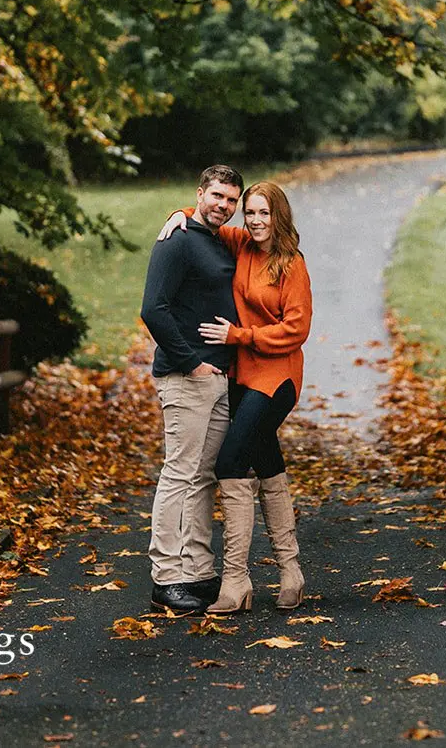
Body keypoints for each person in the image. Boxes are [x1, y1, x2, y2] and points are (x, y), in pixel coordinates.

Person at [159, 180, 311, 612]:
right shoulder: (242, 243)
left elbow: (297, 330)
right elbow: (203, 218)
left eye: (264, 213)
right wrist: (178, 213)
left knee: (229, 461)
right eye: (251, 213)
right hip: (243, 376)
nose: (256, 221)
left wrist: (238, 334)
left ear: (279, 216)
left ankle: (236, 580)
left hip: (277, 376)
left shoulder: (291, 263)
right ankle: (290, 572)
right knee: (266, 461)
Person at [139, 164, 244, 614]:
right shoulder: (176, 239)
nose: (223, 205)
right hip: (188, 377)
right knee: (179, 473)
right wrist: (191, 362)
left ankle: (197, 570)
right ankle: (165, 577)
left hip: (219, 377)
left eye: (231, 200)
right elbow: (153, 309)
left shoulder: (216, 239)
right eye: (217, 196)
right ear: (200, 193)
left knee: (203, 476)